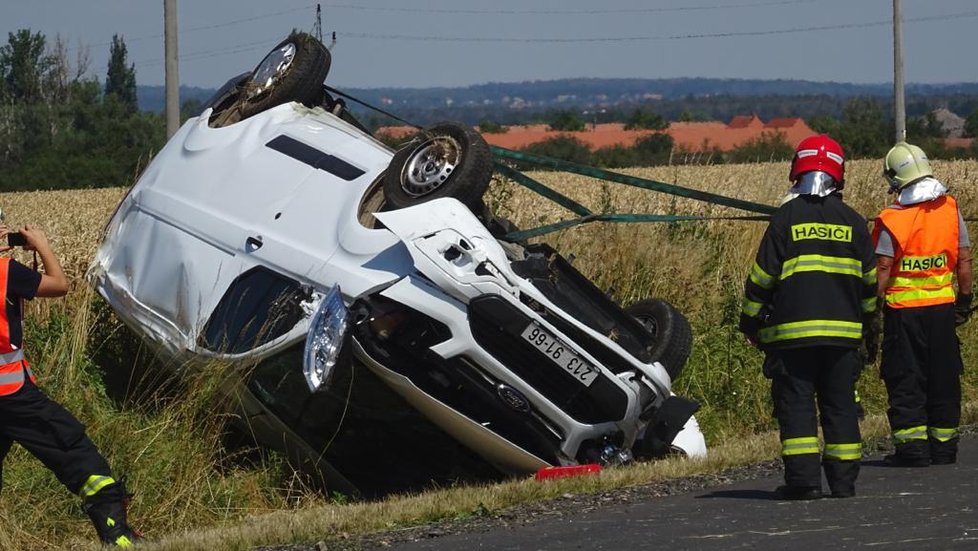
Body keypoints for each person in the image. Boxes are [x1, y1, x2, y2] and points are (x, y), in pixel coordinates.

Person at [739, 135, 877, 500]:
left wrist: (750, 322)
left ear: (796, 170)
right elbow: (869, 287)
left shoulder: (785, 218)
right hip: (843, 339)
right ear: (839, 173)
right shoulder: (854, 221)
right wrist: (870, 331)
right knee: (841, 406)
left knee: (797, 406)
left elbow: (761, 279)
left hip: (793, 339)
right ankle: (844, 483)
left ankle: (804, 483)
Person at [0, 221, 141, 547]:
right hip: (12, 395)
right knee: (73, 448)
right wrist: (42, 246)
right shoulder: (6, 272)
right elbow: (60, 285)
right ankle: (115, 531)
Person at [873, 141, 973, 467]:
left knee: (906, 378)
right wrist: (965, 299)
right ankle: (944, 447)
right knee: (944, 377)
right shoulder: (951, 209)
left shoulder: (890, 219)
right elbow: (965, 261)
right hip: (943, 309)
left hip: (903, 313)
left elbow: (884, 268)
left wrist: (870, 306)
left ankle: (912, 449)